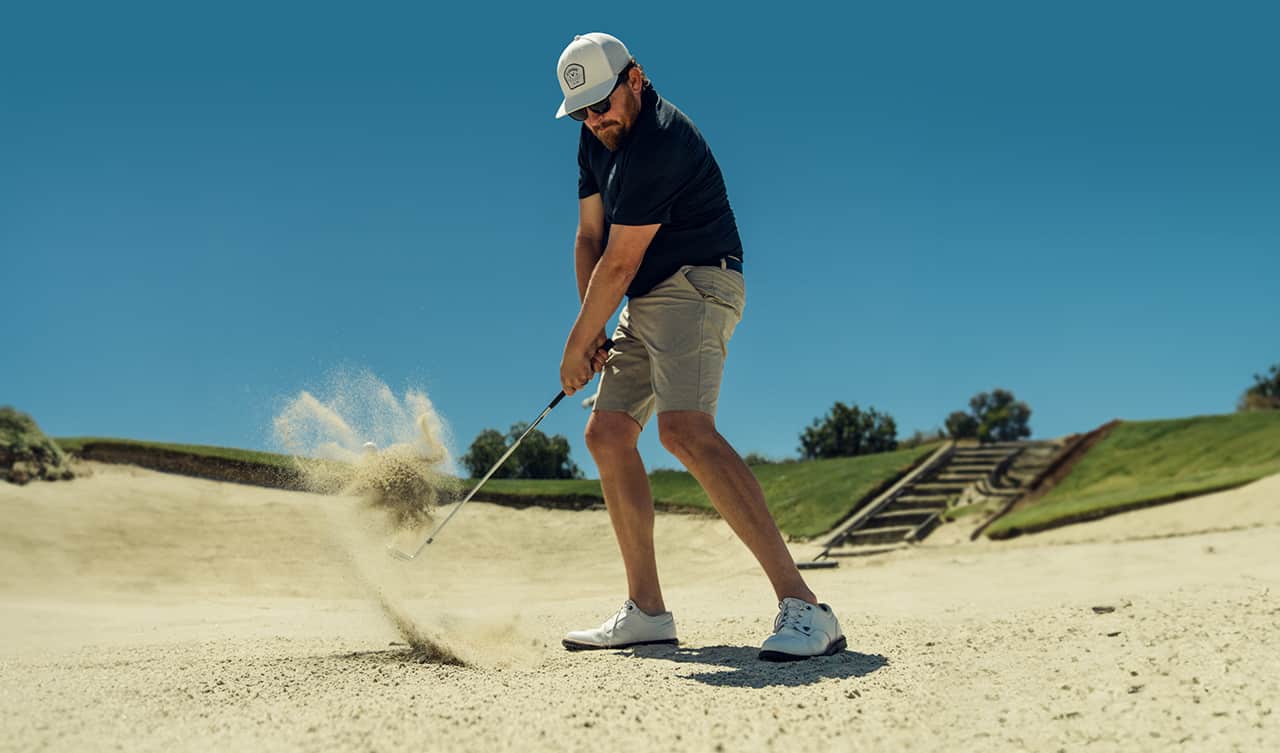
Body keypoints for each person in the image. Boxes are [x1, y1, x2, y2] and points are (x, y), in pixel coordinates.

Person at [551, 32, 844, 662]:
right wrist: (592, 330)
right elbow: (589, 239)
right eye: (582, 112)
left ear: (635, 77)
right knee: (607, 434)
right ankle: (647, 612)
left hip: (699, 281)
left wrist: (578, 344)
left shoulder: (660, 139)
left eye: (601, 104)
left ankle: (806, 608)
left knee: (683, 428)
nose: (595, 121)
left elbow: (622, 262)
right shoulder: (594, 133)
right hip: (645, 293)